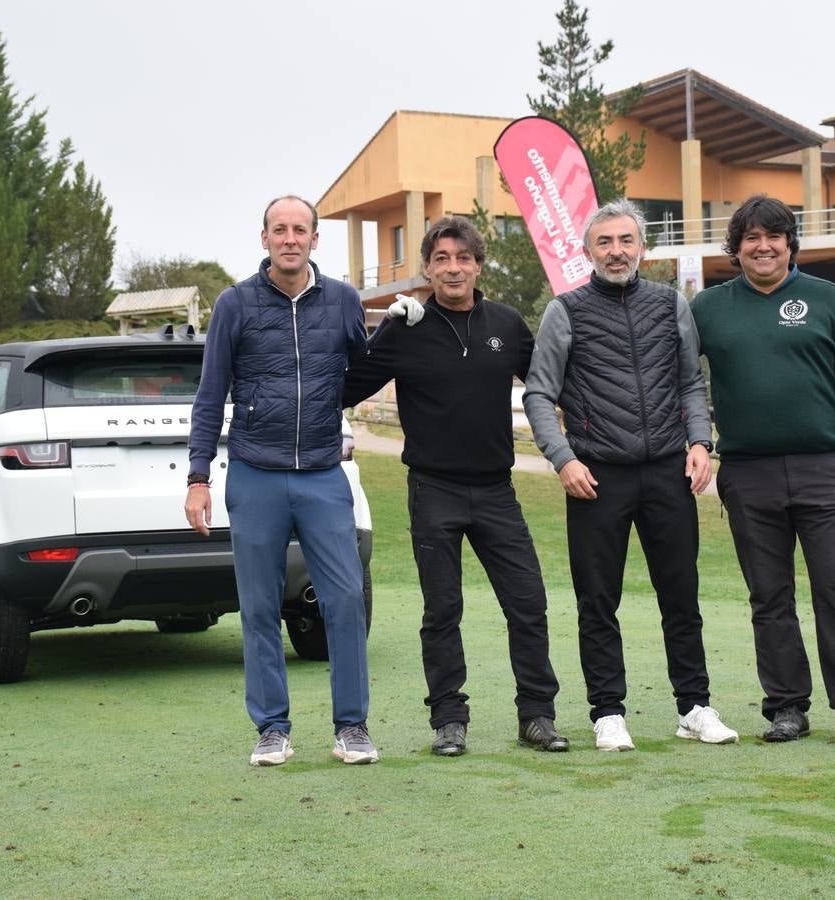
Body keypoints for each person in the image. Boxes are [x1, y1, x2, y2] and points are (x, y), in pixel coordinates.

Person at [343, 216, 568, 756]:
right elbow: (346, 385)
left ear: (478, 266)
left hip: (496, 492)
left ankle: (536, 715)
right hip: (433, 490)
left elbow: (552, 382)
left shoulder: (508, 325)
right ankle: (449, 720)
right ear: (427, 268)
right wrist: (372, 330)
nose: (452, 268)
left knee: (528, 603)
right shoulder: (407, 328)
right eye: (441, 258)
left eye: (462, 258)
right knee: (442, 611)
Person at [522, 198, 738, 751]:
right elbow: (541, 394)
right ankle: (608, 712)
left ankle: (694, 706)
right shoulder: (564, 311)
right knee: (598, 599)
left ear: (642, 246)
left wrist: (699, 441)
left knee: (680, 595)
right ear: (587, 250)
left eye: (626, 241)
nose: (616, 252)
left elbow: (691, 381)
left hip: (668, 471)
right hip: (597, 475)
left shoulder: (671, 305)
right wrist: (563, 458)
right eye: (605, 242)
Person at [691, 194, 835, 745]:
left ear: (789, 243)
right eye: (751, 238)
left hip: (829, 468)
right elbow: (680, 380)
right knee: (770, 596)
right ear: (736, 248)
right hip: (749, 474)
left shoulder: (828, 300)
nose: (763, 246)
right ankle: (786, 708)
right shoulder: (708, 307)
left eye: (773, 236)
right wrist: (697, 441)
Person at [185, 195, 378, 766]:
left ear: (316, 239)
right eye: (279, 229)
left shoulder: (343, 299)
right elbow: (209, 393)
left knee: (344, 600)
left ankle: (352, 727)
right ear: (264, 238)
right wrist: (198, 477)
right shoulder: (234, 303)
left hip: (323, 473)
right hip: (255, 474)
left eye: (300, 230)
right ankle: (272, 729)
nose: (290, 238)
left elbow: (361, 373)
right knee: (260, 606)